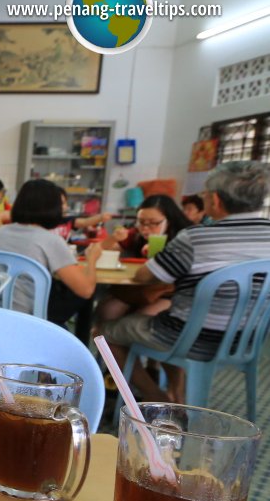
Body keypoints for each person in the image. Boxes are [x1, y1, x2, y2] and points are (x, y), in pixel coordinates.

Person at [100, 161, 270, 402]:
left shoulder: (197, 238)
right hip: (247, 341)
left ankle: (158, 400)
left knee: (104, 334)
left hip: (189, 339)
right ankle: (174, 395)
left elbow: (146, 276)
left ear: (216, 200)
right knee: (161, 316)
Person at [0, 180, 103, 325]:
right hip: (30, 318)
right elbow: (86, 290)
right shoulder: (50, 240)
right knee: (83, 292)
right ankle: (78, 342)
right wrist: (92, 259)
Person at [95, 194, 193, 323]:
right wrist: (114, 238)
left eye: (154, 223)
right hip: (138, 290)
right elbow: (100, 252)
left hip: (169, 293)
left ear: (169, 220)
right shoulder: (134, 235)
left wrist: (159, 253)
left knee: (138, 321)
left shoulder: (183, 238)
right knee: (106, 312)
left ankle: (120, 341)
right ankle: (104, 342)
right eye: (141, 222)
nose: (145, 228)